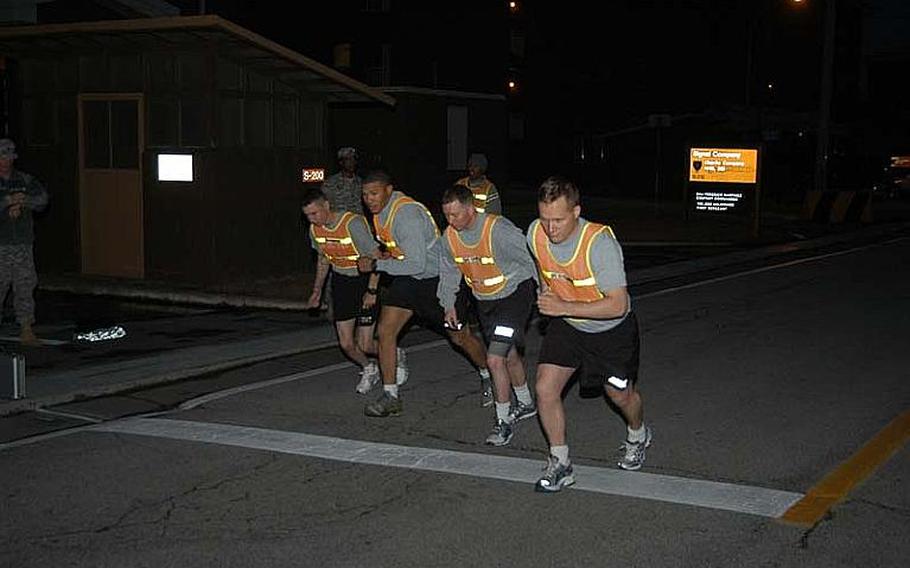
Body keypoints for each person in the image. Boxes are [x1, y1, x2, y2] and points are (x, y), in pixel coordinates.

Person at [527, 176, 651, 492]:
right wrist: (546, 293)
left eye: (558, 220)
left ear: (576, 212)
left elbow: (618, 305)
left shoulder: (599, 243)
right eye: (544, 219)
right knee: (544, 387)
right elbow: (543, 268)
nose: (550, 228)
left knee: (619, 395)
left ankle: (638, 433)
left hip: (611, 332)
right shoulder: (535, 234)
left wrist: (561, 305)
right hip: (568, 325)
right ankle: (560, 463)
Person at [358, 170, 489, 418]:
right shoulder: (380, 214)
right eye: (365, 195)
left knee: (459, 338)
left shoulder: (406, 214)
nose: (369, 199)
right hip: (409, 280)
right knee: (385, 331)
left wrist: (376, 265)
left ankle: (487, 373)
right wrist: (379, 274)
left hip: (437, 281)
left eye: (374, 193)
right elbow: (401, 256)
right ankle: (391, 395)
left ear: (388, 190)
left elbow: (417, 263)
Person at [438, 184, 538, 446]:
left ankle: (503, 422)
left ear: (471, 209)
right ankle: (526, 403)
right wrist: (449, 304)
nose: (451, 220)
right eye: (447, 215)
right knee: (509, 354)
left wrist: (546, 294)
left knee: (494, 359)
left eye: (456, 214)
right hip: (486, 300)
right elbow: (449, 273)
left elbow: (531, 260)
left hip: (514, 295)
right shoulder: (449, 237)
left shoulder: (498, 230)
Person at [302, 187, 397, 394]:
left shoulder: (352, 224)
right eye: (307, 216)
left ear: (326, 205)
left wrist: (371, 291)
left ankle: (394, 353)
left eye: (314, 213)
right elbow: (323, 259)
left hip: (363, 282)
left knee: (365, 343)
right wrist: (316, 291)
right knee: (346, 343)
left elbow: (376, 258)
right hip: (341, 282)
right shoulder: (314, 230)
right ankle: (368, 368)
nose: (312, 219)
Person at [0, 139, 48, 346]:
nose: (6, 161)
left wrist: (23, 200)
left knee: (25, 286)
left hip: (22, 244)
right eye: (2, 156)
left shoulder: (25, 180)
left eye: (9, 156)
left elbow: (43, 200)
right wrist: (7, 202)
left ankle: (26, 329)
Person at [321, 147, 364, 214]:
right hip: (339, 222)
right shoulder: (330, 183)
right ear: (341, 162)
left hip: (357, 221)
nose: (351, 162)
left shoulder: (361, 183)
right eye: (348, 159)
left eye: (353, 159)